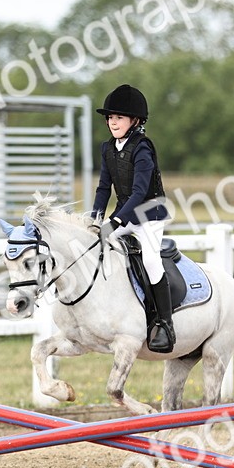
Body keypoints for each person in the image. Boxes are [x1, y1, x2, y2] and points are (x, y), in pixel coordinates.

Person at [89, 84, 175, 353]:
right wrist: (95, 219)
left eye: (119, 118)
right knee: (98, 247)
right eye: (110, 118)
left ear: (135, 120)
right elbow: (104, 188)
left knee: (150, 259)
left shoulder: (143, 148)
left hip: (150, 214)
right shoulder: (108, 148)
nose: (113, 123)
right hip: (126, 214)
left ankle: (165, 323)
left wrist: (115, 222)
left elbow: (139, 192)